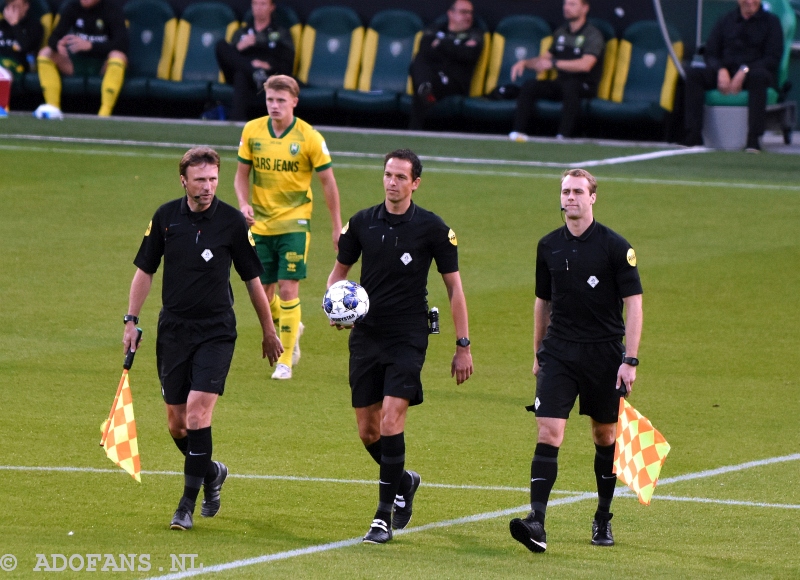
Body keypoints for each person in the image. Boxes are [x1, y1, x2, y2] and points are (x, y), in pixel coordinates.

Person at [122, 146, 283, 531]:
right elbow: (145, 270)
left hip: (216, 331)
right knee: (178, 424)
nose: (208, 186)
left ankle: (186, 505)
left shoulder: (230, 222)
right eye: (200, 180)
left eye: (213, 179)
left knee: (197, 412)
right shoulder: (165, 218)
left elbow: (252, 280)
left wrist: (268, 329)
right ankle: (211, 472)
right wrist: (131, 320)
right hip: (173, 330)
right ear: (184, 181)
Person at [327, 148, 474, 544]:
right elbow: (339, 273)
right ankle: (404, 480)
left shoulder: (432, 228)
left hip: (408, 336)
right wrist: (336, 307)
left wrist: (463, 345)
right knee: (368, 430)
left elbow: (454, 287)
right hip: (366, 336)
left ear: (415, 183)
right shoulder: (361, 223)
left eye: (400, 177)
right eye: (388, 174)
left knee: (393, 419)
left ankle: (382, 516)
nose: (392, 182)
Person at [509, 168, 643, 553]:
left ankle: (602, 516)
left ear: (593, 197)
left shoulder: (616, 248)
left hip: (604, 354)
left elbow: (634, 305)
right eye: (565, 192)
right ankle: (537, 521)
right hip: (560, 353)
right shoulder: (547, 245)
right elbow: (542, 302)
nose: (570, 198)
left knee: (605, 436)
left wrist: (629, 359)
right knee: (548, 431)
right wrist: (538, 351)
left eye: (577, 192)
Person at [235, 74, 342, 380]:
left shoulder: (309, 137)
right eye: (270, 99)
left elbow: (328, 183)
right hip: (260, 225)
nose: (274, 106)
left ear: (294, 101)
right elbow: (241, 175)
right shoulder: (252, 131)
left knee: (287, 287)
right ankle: (292, 327)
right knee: (263, 295)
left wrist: (336, 227)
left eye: (281, 100)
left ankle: (285, 360)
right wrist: (244, 203)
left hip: (295, 222)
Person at [683, 0, 783, 152]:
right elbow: (710, 53)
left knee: (759, 77)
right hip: (726, 72)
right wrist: (720, 70)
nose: (750, 2)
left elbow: (772, 58)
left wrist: (745, 70)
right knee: (694, 75)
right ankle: (693, 136)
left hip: (754, 72)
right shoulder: (725, 20)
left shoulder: (772, 22)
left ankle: (753, 140)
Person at [508, 0, 603, 142]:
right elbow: (544, 60)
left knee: (571, 86)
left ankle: (562, 136)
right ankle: (517, 132)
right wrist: (525, 63)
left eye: (572, 4)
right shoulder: (561, 32)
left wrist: (554, 63)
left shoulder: (593, 34)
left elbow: (586, 65)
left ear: (585, 8)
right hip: (561, 83)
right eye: (565, 4)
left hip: (584, 85)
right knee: (530, 84)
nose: (567, 8)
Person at [36, 0, 128, 117]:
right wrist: (58, 44)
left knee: (118, 56)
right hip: (75, 64)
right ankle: (53, 108)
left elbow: (122, 44)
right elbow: (53, 38)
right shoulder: (72, 7)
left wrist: (91, 46)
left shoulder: (112, 9)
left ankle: (104, 113)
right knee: (46, 52)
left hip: (102, 66)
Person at [408, 0, 483, 130]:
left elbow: (468, 55)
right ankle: (425, 89)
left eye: (471, 13)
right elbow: (425, 50)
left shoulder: (475, 34)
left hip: (455, 83)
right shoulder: (435, 29)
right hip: (434, 77)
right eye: (464, 12)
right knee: (419, 61)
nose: (468, 16)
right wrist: (455, 47)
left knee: (421, 85)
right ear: (451, 13)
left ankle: (414, 130)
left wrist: (441, 44)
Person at [214, 0, 294, 121]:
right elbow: (229, 58)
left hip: (266, 77)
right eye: (255, 4)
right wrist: (238, 47)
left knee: (241, 76)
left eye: (263, 4)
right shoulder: (241, 32)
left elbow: (287, 63)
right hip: (244, 72)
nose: (258, 8)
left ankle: (236, 121)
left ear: (272, 7)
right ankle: (254, 72)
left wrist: (268, 65)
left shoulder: (280, 33)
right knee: (221, 45)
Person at [0, 0, 44, 79]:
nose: (12, 10)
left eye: (15, 6)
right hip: (1, 60)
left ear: (26, 6)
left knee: (3, 74)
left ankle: (3, 91)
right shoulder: (2, 25)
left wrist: (14, 24)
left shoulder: (34, 26)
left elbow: (27, 47)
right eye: (9, 6)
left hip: (18, 64)